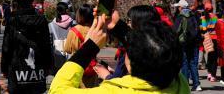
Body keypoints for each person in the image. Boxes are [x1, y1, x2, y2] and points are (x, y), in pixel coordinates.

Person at [50, 11, 191, 94]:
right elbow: (158, 51)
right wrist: (118, 27)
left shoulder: (114, 91)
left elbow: (58, 90)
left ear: (130, 64)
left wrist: (89, 47)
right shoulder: (179, 84)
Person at [1, 0, 52, 94]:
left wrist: (5, 68)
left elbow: (6, 46)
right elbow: (47, 45)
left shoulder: (12, 21)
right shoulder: (41, 20)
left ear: (18, 3)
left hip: (17, 69)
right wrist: (48, 66)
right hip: (37, 69)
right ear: (32, 2)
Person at [96, 5, 162, 81]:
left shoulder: (137, 52)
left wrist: (106, 75)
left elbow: (136, 81)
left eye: (130, 21)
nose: (127, 24)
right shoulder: (159, 48)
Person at [173, 0, 202, 91]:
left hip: (184, 43)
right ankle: (197, 84)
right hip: (194, 42)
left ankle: (185, 84)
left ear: (181, 7)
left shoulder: (180, 16)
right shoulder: (194, 15)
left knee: (185, 63)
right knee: (193, 63)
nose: (178, 8)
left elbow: (176, 30)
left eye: (178, 7)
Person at [64, 4, 97, 86]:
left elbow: (67, 49)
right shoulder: (95, 31)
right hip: (92, 68)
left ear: (80, 15)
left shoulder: (74, 30)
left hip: (77, 67)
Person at [49, 2, 75, 72]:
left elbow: (50, 42)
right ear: (67, 10)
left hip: (57, 54)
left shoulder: (51, 25)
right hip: (71, 53)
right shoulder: (73, 23)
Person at [200, 4, 218, 82]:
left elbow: (204, 28)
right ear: (212, 9)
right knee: (214, 58)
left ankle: (209, 73)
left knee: (209, 56)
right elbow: (215, 26)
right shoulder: (215, 17)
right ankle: (213, 75)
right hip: (214, 38)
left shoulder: (203, 18)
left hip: (207, 39)